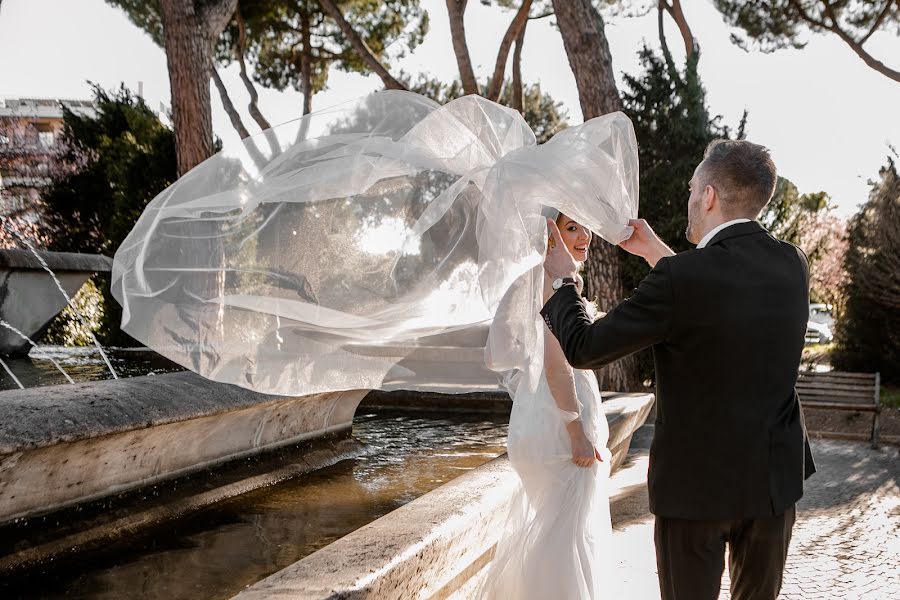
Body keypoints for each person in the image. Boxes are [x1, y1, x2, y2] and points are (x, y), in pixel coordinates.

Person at [541, 139, 816, 600]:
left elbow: (584, 347)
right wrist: (657, 253)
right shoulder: (792, 264)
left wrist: (563, 280)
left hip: (694, 492)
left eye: (693, 189)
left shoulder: (680, 279)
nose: (689, 198)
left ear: (708, 196)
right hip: (772, 482)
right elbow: (723, 296)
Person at [480, 210, 613, 600]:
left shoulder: (541, 279)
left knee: (553, 530)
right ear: (548, 234)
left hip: (539, 418)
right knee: (563, 540)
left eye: (585, 225)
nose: (585, 235)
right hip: (561, 425)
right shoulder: (553, 283)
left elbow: (498, 357)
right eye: (571, 227)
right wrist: (575, 431)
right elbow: (557, 367)